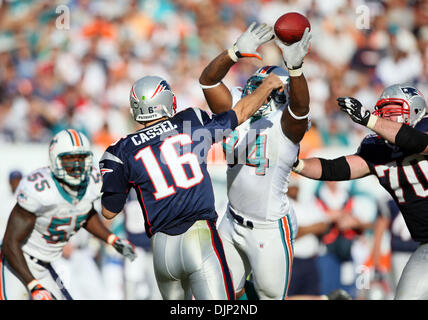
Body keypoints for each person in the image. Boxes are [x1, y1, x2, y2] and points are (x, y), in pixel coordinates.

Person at [98, 71, 284, 299]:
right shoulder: (189, 121)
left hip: (161, 251)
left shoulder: (120, 150)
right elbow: (240, 112)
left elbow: (109, 211)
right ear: (167, 101)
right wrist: (266, 87)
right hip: (199, 238)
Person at [198, 22, 311, 299]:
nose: (258, 94)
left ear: (280, 93)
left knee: (269, 296)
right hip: (231, 220)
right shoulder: (239, 108)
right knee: (213, 295)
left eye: (268, 89)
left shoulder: (285, 123)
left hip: (268, 228)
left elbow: (300, 109)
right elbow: (208, 81)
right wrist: (233, 53)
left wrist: (295, 70)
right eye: (255, 87)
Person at [292, 83, 428, 299]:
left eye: (392, 112)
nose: (385, 117)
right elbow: (335, 168)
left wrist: (369, 120)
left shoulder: (423, 129)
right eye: (381, 113)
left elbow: (417, 142)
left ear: (416, 112)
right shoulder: (379, 149)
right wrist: (294, 163)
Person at [0, 129, 136, 300]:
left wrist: (111, 239)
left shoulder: (91, 182)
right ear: (55, 159)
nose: (77, 165)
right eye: (70, 159)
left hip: (46, 263)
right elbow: (9, 244)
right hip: (17, 262)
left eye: (81, 158)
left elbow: (85, 212)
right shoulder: (39, 189)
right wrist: (33, 285)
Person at [0, 170, 23, 245]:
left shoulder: (26, 200)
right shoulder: (3, 200)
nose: (16, 183)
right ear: (10, 182)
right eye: (14, 181)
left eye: (18, 180)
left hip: (21, 241)